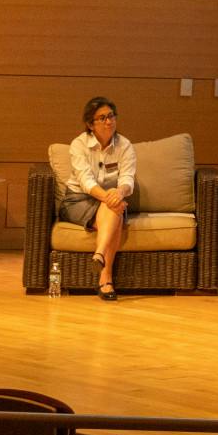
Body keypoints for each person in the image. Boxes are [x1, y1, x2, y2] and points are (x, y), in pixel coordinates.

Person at [62, 96, 137, 302]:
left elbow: (127, 179)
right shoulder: (79, 144)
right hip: (79, 199)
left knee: (112, 210)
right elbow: (85, 181)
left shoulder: (125, 145)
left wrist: (119, 193)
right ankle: (106, 278)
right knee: (115, 211)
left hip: (110, 200)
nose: (109, 121)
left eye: (111, 116)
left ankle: (100, 257)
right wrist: (111, 198)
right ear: (90, 124)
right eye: (102, 118)